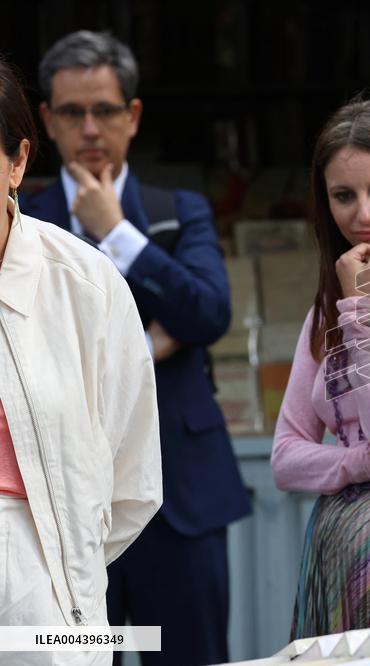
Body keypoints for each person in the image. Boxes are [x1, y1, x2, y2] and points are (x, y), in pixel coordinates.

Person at [21, 31, 250, 665]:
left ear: (133, 116)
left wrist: (116, 234)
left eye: (105, 110)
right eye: (72, 112)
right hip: (58, 509)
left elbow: (207, 313)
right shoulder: (22, 219)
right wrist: (147, 343)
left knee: (189, 657)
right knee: (74, 658)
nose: (90, 128)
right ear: (46, 121)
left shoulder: (178, 211)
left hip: (180, 492)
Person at [0, 58, 160, 665]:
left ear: (17, 160)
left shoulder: (83, 284)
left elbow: (132, 480)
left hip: (53, 613)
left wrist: (63, 572)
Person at [271, 100, 370, 637]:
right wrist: (357, 463)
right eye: (344, 196)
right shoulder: (327, 309)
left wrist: (364, 311)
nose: (363, 215)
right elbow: (285, 456)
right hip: (340, 551)